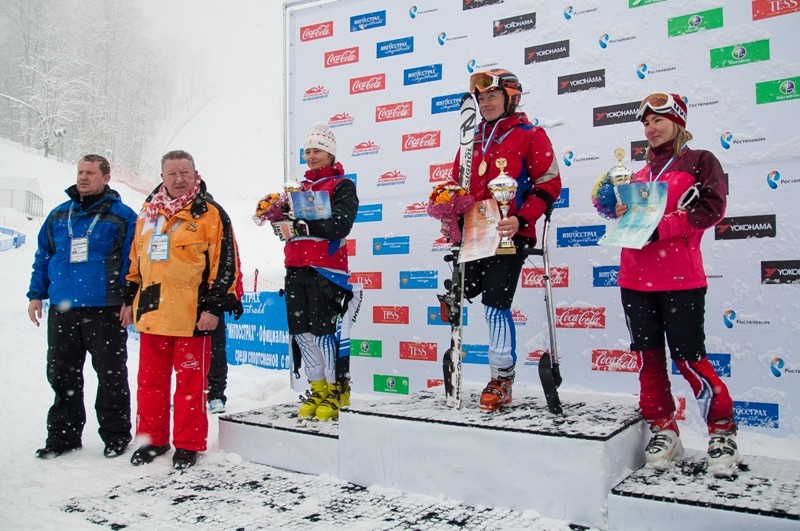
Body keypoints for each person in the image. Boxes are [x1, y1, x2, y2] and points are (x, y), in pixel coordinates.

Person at [613, 92, 739, 474]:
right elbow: (635, 224)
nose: (650, 128)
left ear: (678, 122)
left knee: (689, 359)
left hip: (680, 279)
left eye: (658, 120)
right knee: (649, 360)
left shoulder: (700, 161)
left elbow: (711, 209)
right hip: (634, 278)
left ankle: (722, 431)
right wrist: (624, 213)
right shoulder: (639, 175)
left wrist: (661, 226)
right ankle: (664, 429)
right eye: (646, 122)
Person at [441, 68, 562, 412]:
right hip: (473, 236)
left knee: (496, 303)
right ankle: (458, 363)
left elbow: (549, 184)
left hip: (510, 234)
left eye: (492, 96)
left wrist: (521, 218)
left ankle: (501, 378)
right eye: (481, 98)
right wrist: (450, 216)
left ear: (511, 98)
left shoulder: (530, 135)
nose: (485, 103)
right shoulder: (471, 139)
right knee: (457, 298)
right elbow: (455, 187)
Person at [123, 150, 241, 470]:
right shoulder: (147, 214)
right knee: (150, 384)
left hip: (192, 317)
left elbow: (225, 265)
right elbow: (135, 261)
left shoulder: (211, 214)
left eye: (185, 173)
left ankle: (188, 444)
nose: (179, 179)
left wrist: (214, 307)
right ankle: (153, 440)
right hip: (152, 314)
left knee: (190, 387)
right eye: (172, 173)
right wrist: (128, 299)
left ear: (195, 174)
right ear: (162, 177)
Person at [27, 154, 137, 459]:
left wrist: (129, 300)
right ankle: (63, 437)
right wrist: (36, 294)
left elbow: (132, 262)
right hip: (63, 309)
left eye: (90, 173)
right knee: (62, 375)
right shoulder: (59, 214)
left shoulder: (122, 216)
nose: (83, 177)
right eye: (80, 172)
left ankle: (115, 435)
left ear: (106, 178)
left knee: (111, 375)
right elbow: (43, 255)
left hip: (105, 308)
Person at [271, 121, 359, 421]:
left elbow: (341, 225)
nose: (311, 156)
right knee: (301, 333)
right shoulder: (299, 188)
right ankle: (318, 387)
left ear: (330, 154)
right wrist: (281, 224)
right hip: (296, 268)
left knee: (324, 333)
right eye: (307, 152)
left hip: (326, 270)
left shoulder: (341, 185)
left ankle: (337, 389)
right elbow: (292, 229)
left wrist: (305, 226)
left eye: (317, 151)